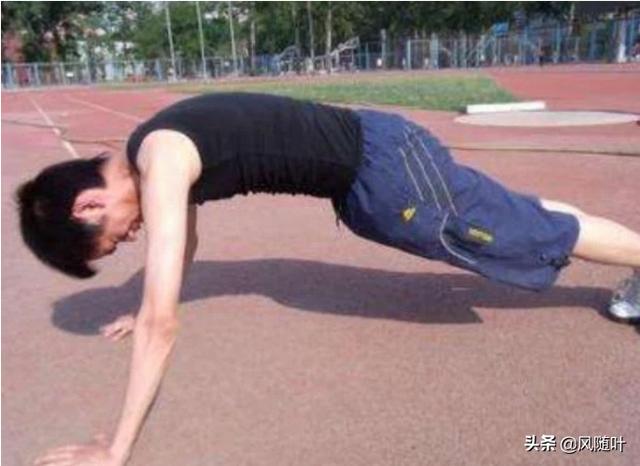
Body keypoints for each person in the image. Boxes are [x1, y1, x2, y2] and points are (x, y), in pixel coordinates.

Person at [18, 93, 639, 465]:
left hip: (386, 172)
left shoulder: (161, 158)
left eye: (113, 238)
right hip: (378, 166)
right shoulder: (151, 144)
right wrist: (145, 302)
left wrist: (115, 449)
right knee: (523, 222)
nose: (130, 238)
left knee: (524, 232)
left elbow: (164, 325)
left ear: (89, 205)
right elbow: (186, 249)